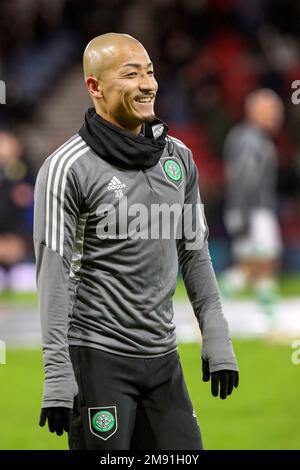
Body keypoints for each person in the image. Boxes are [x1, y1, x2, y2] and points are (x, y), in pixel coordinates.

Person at [34, 33, 238, 451]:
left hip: (164, 357)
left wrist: (216, 337)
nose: (148, 84)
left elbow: (195, 255)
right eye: (132, 74)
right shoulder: (65, 168)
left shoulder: (178, 158)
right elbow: (52, 274)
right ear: (95, 87)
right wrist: (57, 373)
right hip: (97, 357)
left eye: (150, 71)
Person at [221, 89, 284, 323]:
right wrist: (244, 215)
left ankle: (210, 310)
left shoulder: (244, 136)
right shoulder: (252, 140)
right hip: (255, 211)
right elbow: (245, 179)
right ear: (254, 111)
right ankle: (269, 319)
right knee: (265, 265)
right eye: (271, 110)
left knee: (249, 269)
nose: (276, 116)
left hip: (247, 210)